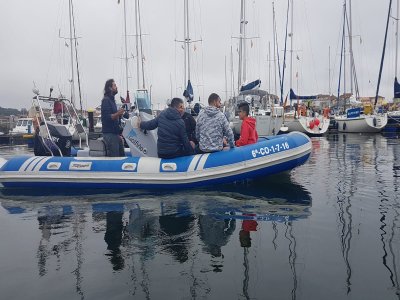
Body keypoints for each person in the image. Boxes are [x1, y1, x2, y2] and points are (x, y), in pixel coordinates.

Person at [101, 79, 125, 157]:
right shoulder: (106, 100)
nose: (116, 87)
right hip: (110, 135)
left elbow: (114, 116)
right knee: (115, 157)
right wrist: (118, 113)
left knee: (122, 155)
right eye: (114, 85)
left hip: (115, 134)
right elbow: (107, 117)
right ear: (110, 88)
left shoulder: (112, 100)